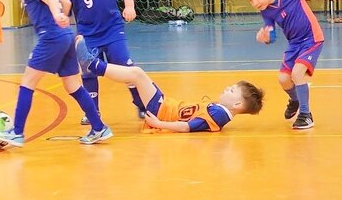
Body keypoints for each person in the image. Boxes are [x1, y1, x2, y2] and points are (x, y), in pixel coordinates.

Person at [0, 0, 112, 147]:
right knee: (72, 85)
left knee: (27, 82)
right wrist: (63, 18)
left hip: (51, 37)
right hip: (65, 35)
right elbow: (65, 0)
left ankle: (17, 132)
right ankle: (99, 127)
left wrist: (56, 15)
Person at [74, 35, 264, 132]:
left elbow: (187, 127)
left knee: (137, 74)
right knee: (135, 77)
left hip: (162, 110)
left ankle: (92, 64)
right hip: (165, 105)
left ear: (237, 104)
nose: (227, 88)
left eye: (232, 90)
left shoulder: (219, 115)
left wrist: (159, 124)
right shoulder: (220, 112)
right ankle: (138, 102)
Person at [56, 0, 145, 124]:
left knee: (125, 66)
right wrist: (61, 19)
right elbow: (64, 10)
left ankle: (141, 104)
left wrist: (129, 6)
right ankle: (93, 111)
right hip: (88, 35)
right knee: (88, 71)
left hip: (112, 30)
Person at [241, 0, 342, 129]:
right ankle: (295, 100)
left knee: (297, 73)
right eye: (250, 1)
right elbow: (272, 34)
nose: (254, 3)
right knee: (283, 79)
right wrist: (266, 38)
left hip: (312, 39)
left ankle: (306, 115)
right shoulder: (266, 11)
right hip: (294, 44)